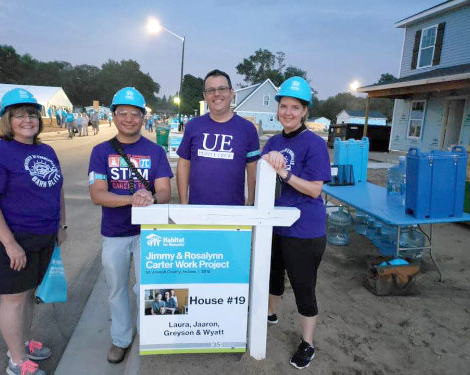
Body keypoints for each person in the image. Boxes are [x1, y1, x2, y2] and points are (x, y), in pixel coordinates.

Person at [0, 88, 67, 375]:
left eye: (32, 114)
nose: (28, 120)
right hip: (12, 238)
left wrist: (61, 225)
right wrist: (10, 244)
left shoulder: (46, 150)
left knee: (29, 294)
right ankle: (16, 361)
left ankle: (24, 343)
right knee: (13, 298)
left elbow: (57, 188)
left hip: (43, 236)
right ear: (7, 120)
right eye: (19, 115)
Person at [88, 86, 173, 364]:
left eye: (134, 114)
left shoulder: (155, 151)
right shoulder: (101, 151)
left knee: (153, 287)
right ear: (113, 116)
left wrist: (150, 196)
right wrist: (133, 199)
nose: (128, 119)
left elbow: (164, 192)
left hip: (150, 234)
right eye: (122, 113)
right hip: (115, 234)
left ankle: (156, 334)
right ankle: (121, 338)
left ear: (142, 117)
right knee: (117, 289)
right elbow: (97, 194)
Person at [262, 77, 331, 370]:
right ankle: (270, 315)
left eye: (295, 107)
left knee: (303, 286)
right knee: (273, 276)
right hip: (275, 224)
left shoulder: (314, 144)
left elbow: (315, 189)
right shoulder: (274, 141)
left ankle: (307, 343)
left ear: (305, 111)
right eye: (283, 106)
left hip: (305, 230)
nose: (288, 112)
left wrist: (286, 174)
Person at [176, 69, 260, 205]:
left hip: (234, 213)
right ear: (204, 95)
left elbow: (253, 169)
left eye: (222, 88)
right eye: (211, 90)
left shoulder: (247, 129)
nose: (217, 94)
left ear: (231, 92)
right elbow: (184, 164)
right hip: (197, 210)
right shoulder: (193, 126)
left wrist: (251, 203)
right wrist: (184, 203)